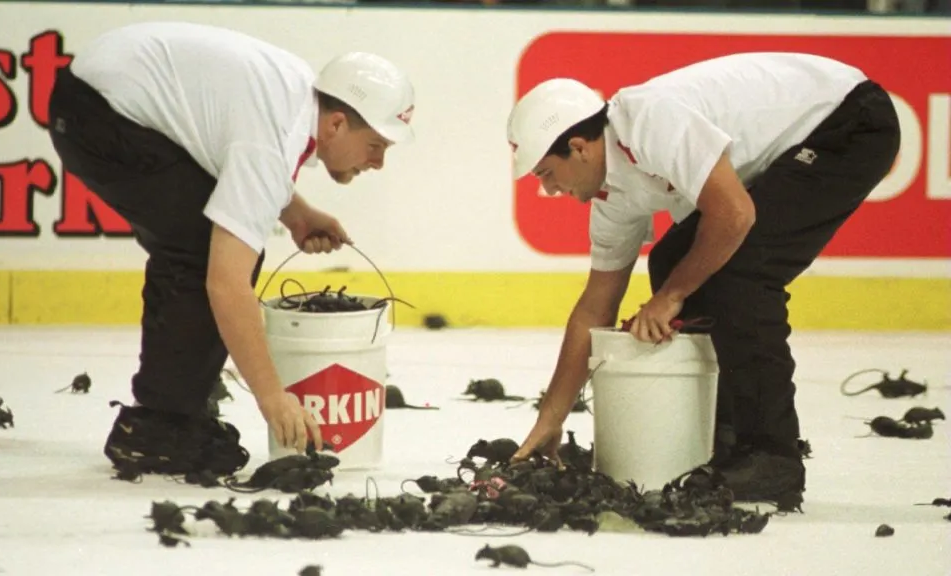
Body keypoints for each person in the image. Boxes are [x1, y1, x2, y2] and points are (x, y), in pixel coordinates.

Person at [505, 52, 900, 510]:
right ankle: (726, 437)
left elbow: (734, 215)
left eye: (547, 174)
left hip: (849, 121)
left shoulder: (649, 121)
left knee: (740, 270)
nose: (549, 190)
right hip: (803, 139)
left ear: (579, 146)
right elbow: (595, 308)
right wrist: (549, 422)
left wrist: (671, 297)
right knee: (675, 258)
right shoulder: (613, 199)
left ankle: (773, 456)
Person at [46, 22, 416, 478]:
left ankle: (174, 407)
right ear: (337, 123)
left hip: (97, 91)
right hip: (98, 113)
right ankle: (158, 427)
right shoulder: (275, 137)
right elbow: (226, 284)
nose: (378, 162)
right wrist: (272, 397)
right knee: (200, 249)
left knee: (212, 240)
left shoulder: (297, 95)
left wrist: (296, 215)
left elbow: (230, 151)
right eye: (376, 146)